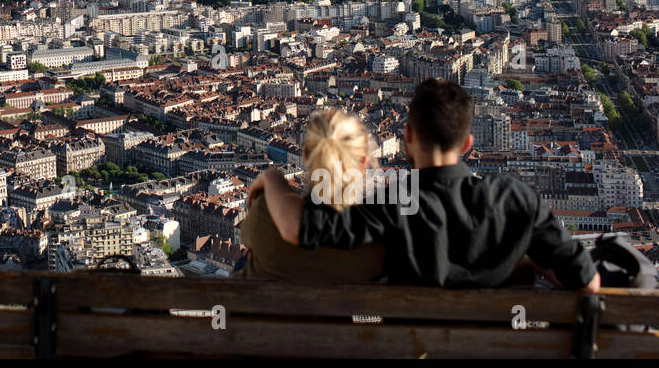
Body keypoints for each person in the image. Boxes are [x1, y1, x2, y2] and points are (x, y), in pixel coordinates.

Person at [248, 78, 600, 291]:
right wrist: (530, 262)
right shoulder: (515, 200)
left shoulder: (397, 200)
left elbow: (298, 227)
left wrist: (271, 177)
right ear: (467, 145)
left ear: (408, 135)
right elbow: (588, 283)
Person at [238, 107, 383, 283]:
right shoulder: (381, 227)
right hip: (351, 307)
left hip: (275, 304)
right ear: (364, 162)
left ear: (305, 156)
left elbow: (247, 237)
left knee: (245, 260)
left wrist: (271, 176)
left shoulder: (269, 212)